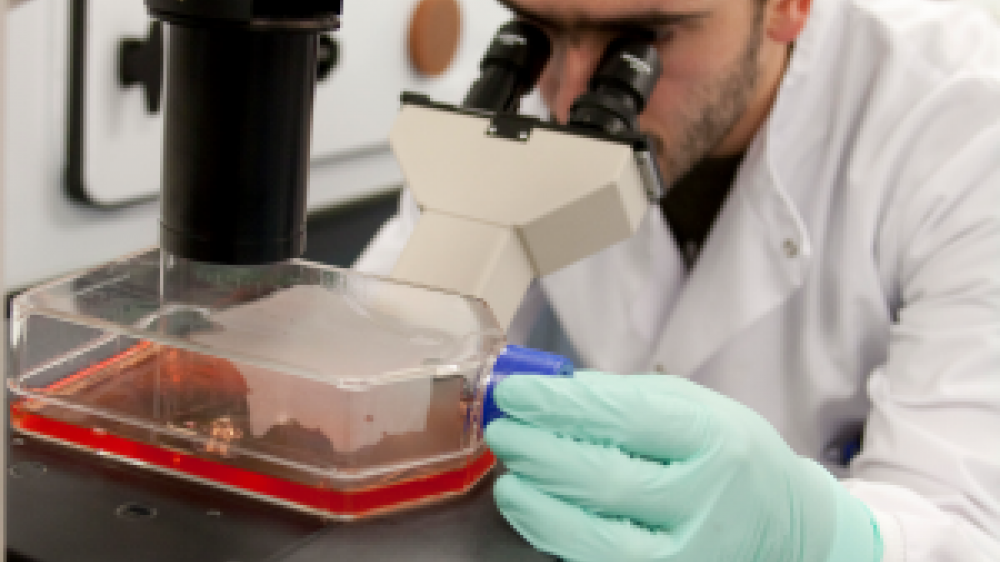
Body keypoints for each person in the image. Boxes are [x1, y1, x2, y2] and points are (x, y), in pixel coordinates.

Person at [355, 0, 1000, 558]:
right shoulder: (524, 110)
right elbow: (377, 363)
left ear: (787, 6)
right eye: (540, 30)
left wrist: (814, 539)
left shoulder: (963, 130)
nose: (572, 92)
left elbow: (960, 526)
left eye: (644, 38)